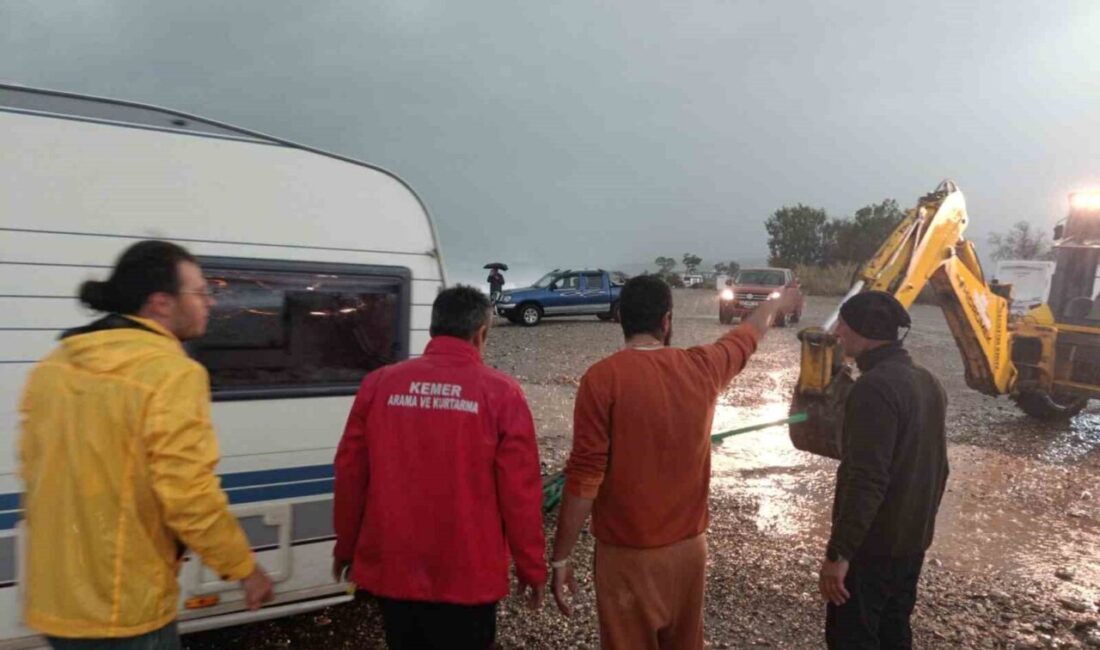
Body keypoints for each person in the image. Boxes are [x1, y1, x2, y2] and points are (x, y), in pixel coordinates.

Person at [19, 240, 273, 649]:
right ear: (160, 303)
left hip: (55, 602)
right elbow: (188, 492)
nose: (209, 301)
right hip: (126, 607)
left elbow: (32, 468)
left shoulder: (56, 364)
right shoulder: (171, 373)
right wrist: (244, 567)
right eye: (200, 291)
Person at [549, 275, 794, 650]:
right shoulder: (703, 367)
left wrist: (560, 557)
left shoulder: (602, 380)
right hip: (690, 552)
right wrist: (776, 304)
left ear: (619, 317)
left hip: (627, 556)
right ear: (667, 321)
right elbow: (748, 334)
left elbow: (585, 476)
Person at [333, 285, 546, 650]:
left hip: (395, 570)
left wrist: (346, 547)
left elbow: (351, 475)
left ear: (434, 328)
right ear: (481, 333)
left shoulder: (379, 384)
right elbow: (520, 494)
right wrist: (532, 568)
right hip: (469, 577)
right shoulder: (502, 393)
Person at [818, 291, 949, 649]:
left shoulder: (873, 389)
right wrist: (920, 532)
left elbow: (866, 480)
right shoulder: (928, 383)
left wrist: (839, 553)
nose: (839, 332)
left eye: (844, 324)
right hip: (910, 546)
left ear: (863, 330)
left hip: (871, 549)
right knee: (894, 633)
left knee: (853, 638)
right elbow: (940, 470)